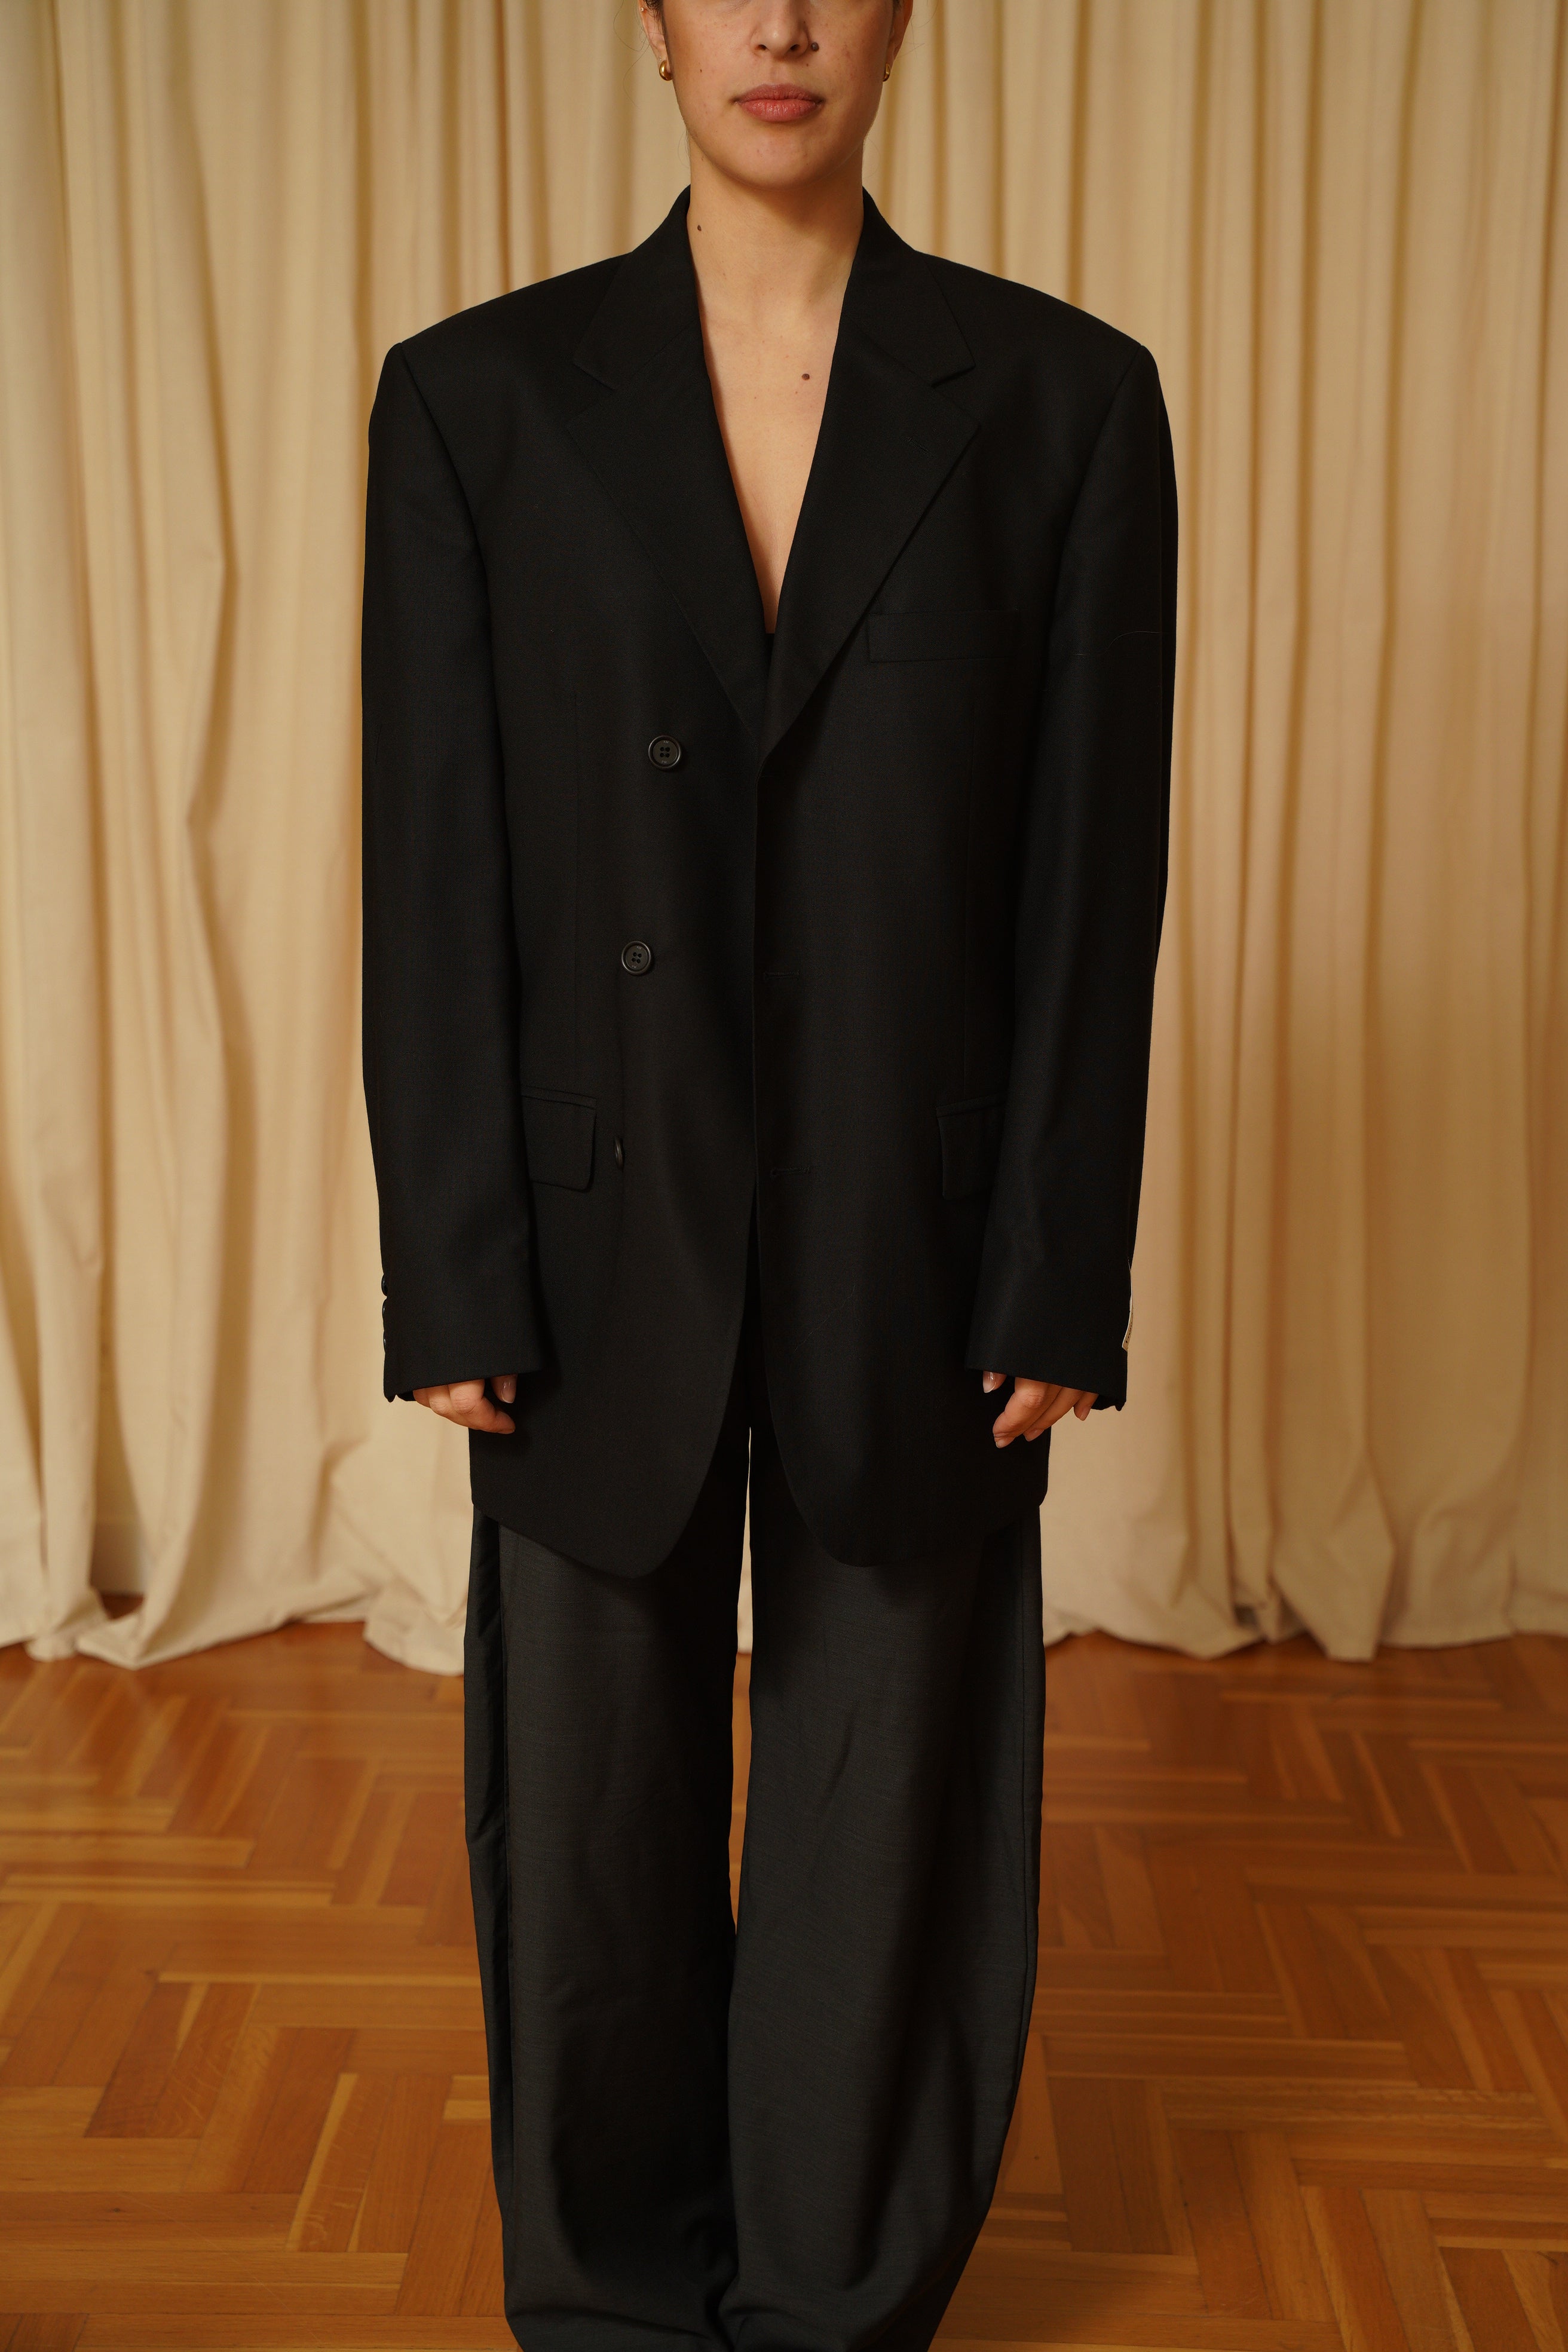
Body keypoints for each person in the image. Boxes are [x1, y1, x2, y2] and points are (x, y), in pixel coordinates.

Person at [360, 1, 1175, 2347]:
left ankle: (832, 2299)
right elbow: (433, 866)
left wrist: (1057, 1263)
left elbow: (1087, 881)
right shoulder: (477, 402)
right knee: (586, 1830)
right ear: (652, 21)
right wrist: (453, 1267)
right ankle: (616, 2300)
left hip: (921, 1243)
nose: (781, 22)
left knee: (888, 1813)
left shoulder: (1065, 404)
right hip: (581, 1246)